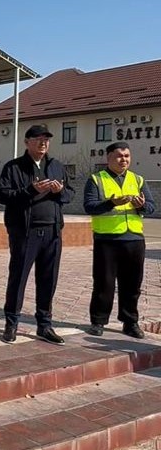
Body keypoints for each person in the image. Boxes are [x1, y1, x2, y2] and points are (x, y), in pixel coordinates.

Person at [0, 123, 74, 344]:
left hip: (52, 231)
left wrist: (60, 191)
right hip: (25, 232)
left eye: (46, 139)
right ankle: (11, 323)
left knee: (48, 279)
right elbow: (3, 195)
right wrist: (31, 190)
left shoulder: (56, 166)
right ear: (26, 142)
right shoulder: (14, 167)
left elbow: (70, 194)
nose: (43, 143)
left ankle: (44, 325)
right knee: (18, 278)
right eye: (38, 139)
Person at [83, 143, 155, 338]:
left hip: (134, 239)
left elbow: (151, 207)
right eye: (119, 156)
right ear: (108, 158)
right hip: (107, 239)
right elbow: (89, 206)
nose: (124, 159)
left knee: (132, 284)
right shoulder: (96, 179)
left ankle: (130, 322)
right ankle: (98, 321)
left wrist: (141, 205)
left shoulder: (138, 179)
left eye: (127, 156)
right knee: (104, 283)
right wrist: (111, 202)